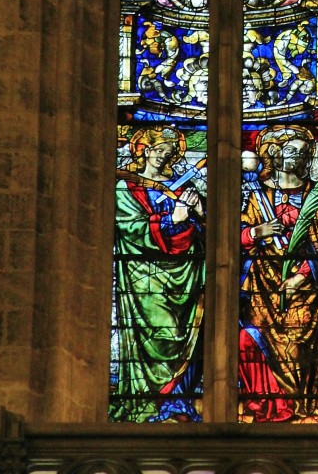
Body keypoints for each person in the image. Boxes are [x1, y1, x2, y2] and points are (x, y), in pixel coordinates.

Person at [111, 126, 205, 422]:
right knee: (164, 332)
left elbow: (205, 231)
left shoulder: (180, 185)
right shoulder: (126, 186)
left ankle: (176, 405)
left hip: (186, 271)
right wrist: (171, 218)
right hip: (144, 273)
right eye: (160, 150)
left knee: (185, 333)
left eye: (170, 152)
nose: (165, 157)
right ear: (145, 150)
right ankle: (147, 402)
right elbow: (131, 228)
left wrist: (196, 210)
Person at [239, 125, 318, 421]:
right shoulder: (256, 195)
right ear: (274, 155)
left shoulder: (317, 196)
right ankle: (263, 403)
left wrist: (301, 277)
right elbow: (233, 237)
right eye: (292, 150)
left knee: (297, 348)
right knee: (251, 338)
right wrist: (256, 231)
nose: (299, 157)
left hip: (306, 288)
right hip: (261, 283)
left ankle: (296, 404)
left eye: (304, 152)